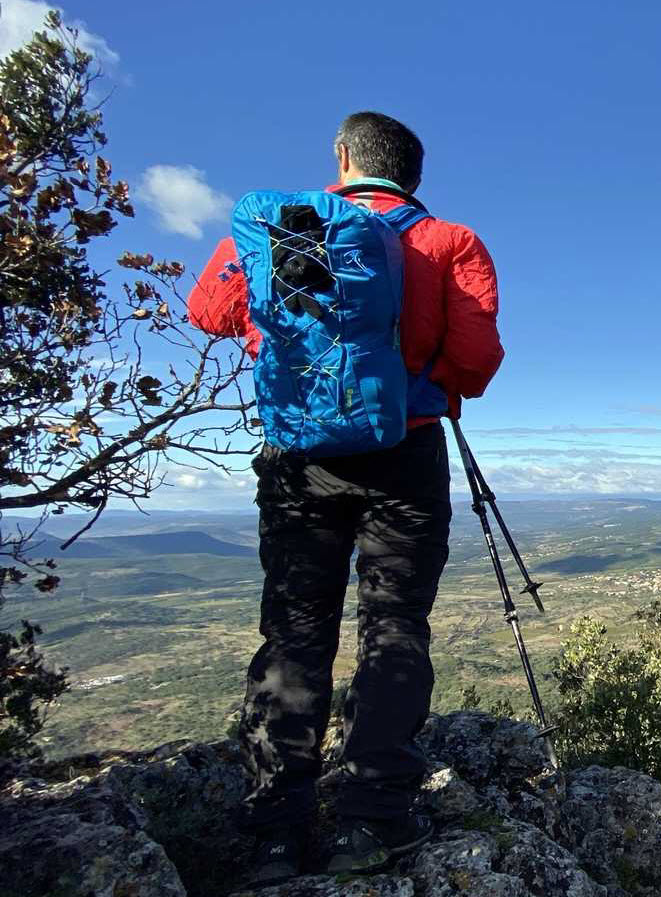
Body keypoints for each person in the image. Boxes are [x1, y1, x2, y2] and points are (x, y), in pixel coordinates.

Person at [188, 111, 504, 884]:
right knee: (395, 627)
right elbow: (476, 356)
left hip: (299, 459)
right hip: (407, 452)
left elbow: (209, 311)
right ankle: (372, 822)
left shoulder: (279, 230)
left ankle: (273, 831)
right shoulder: (447, 241)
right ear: (411, 177)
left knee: (296, 632)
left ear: (342, 159)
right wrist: (421, 379)